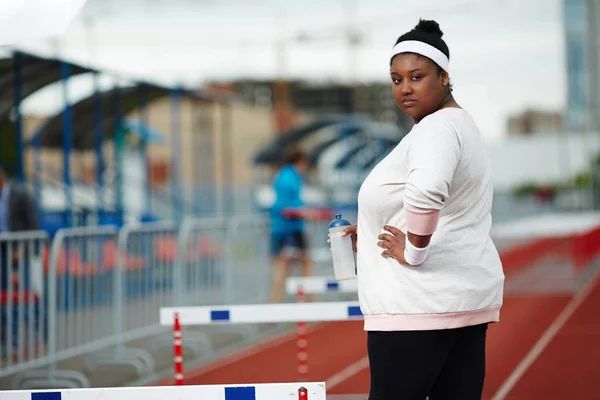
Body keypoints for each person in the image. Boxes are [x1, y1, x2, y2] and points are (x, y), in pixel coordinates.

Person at [336, 19, 505, 399]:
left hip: (416, 308)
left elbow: (428, 191)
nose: (405, 89)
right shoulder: (460, 126)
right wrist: (374, 229)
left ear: (444, 76)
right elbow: (451, 205)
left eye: (417, 76)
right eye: (396, 80)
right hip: (457, 301)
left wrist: (413, 251)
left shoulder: (436, 129)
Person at [0, 166, 41, 353]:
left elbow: (33, 223)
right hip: (3, 253)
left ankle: (33, 338)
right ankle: (7, 341)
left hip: (19, 253)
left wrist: (20, 247)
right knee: (5, 297)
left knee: (22, 296)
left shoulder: (20, 195)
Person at [267, 147, 316, 303]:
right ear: (301, 162)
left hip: (282, 227)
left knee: (286, 265)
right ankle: (312, 299)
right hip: (290, 228)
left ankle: (274, 302)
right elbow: (288, 205)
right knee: (300, 263)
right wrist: (306, 212)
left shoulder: (281, 175)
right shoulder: (290, 177)